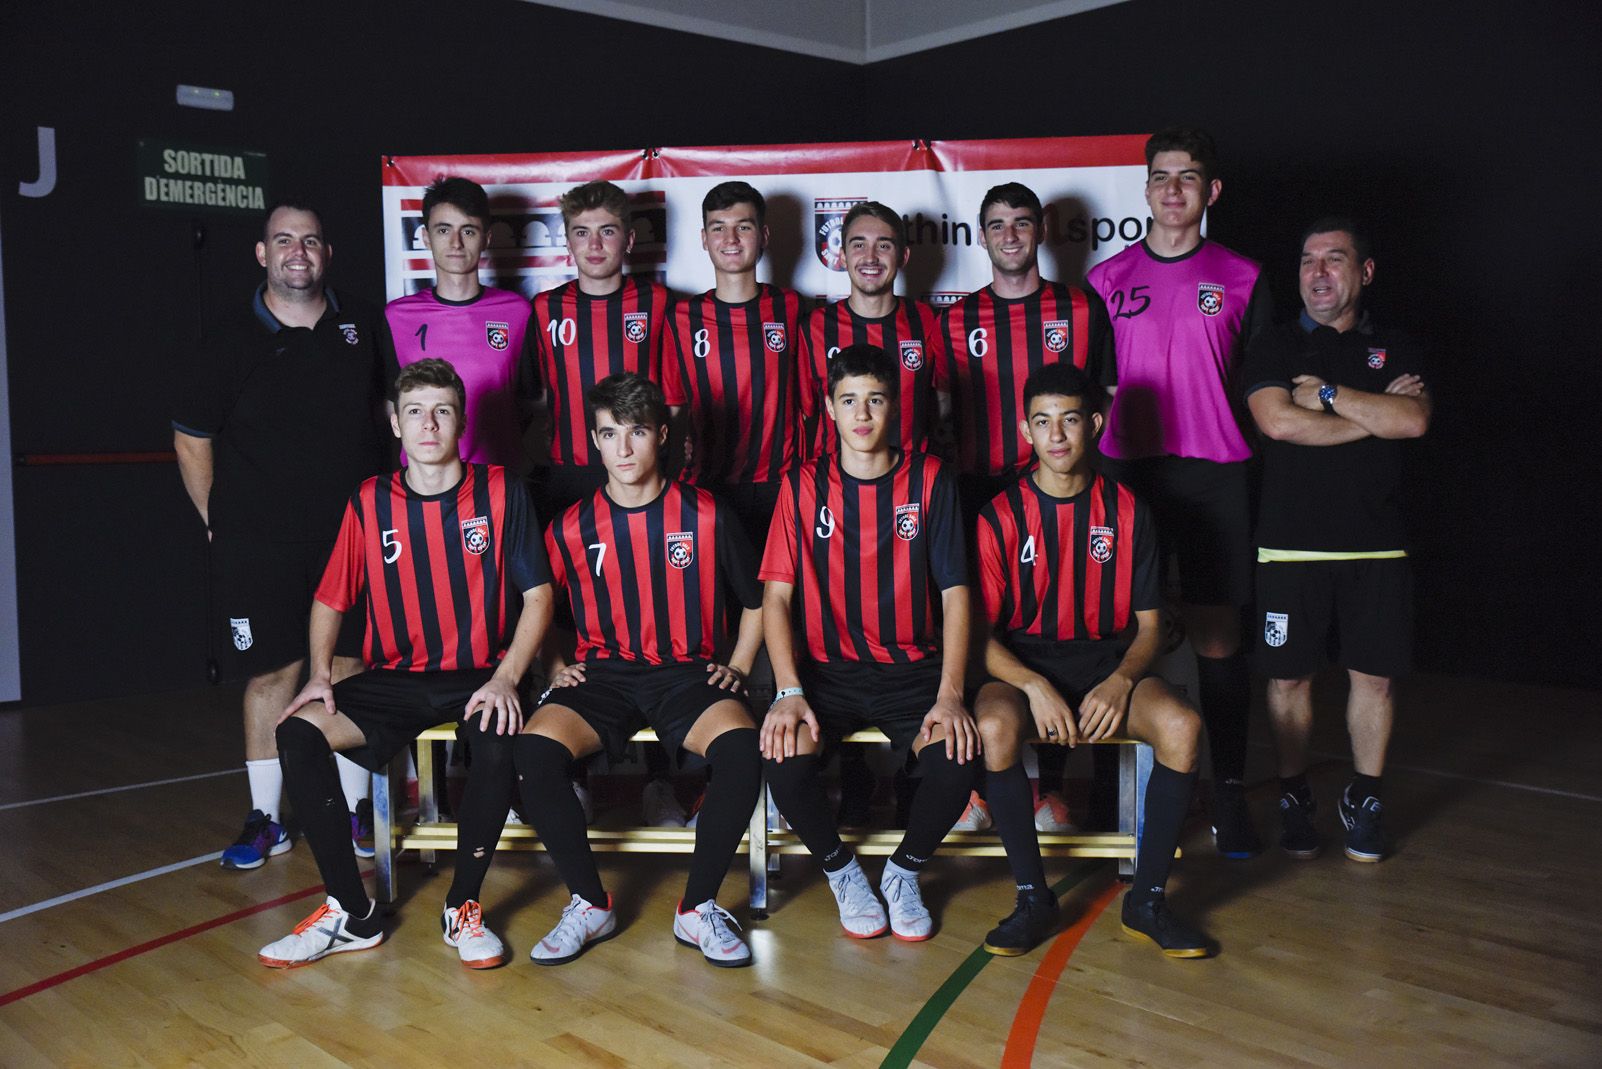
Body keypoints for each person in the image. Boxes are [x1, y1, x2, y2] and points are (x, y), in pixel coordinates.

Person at [256, 358, 555, 969]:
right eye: (415, 411)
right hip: (395, 680)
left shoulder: (500, 490)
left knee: (498, 740)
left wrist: (507, 676)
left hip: (479, 674)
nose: (428, 423)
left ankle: (463, 905)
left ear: (461, 422)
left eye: (442, 410)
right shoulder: (370, 501)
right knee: (297, 734)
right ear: (395, 424)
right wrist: (319, 671)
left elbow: (539, 595)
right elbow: (330, 596)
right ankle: (351, 911)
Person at [514, 373, 765, 967]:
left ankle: (697, 907)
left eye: (636, 432)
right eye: (608, 434)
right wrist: (555, 664)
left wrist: (738, 664)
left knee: (741, 752)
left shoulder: (707, 515)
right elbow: (538, 603)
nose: (622, 449)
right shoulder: (570, 525)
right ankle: (588, 901)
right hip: (604, 674)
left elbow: (758, 600)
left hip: (687, 673)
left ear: (662, 436)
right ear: (594, 442)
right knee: (533, 754)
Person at [172, 201, 387, 870]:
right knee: (273, 672)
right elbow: (191, 438)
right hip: (259, 544)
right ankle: (266, 816)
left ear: (328, 254)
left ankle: (358, 811)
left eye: (312, 241)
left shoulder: (360, 325)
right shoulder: (228, 337)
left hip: (351, 540)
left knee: (350, 667)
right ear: (263, 254)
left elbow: (389, 414)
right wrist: (218, 519)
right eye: (284, 240)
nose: (299, 251)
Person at [972, 362, 1211, 957]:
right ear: (1025, 432)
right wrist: (1032, 685)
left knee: (1183, 726)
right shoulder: (1000, 516)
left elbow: (1153, 627)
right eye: (1043, 422)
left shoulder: (1130, 510)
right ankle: (1033, 897)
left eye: (1070, 420)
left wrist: (1123, 679)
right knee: (996, 726)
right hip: (1025, 665)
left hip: (1109, 662)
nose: (1057, 435)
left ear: (1096, 425)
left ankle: (1147, 900)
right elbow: (977, 637)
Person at [1085, 127, 1273, 857]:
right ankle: (1105, 786)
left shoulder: (1245, 276)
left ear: (1210, 191)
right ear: (1145, 188)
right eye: (1160, 177)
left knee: (1219, 637)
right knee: (1110, 630)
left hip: (1214, 471)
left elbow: (1261, 391)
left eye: (1187, 177)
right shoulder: (1108, 278)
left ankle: (1226, 794)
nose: (1172, 190)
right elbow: (1099, 386)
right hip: (1128, 472)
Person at [759, 344, 978, 942]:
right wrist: (787, 690)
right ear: (829, 408)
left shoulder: (930, 478)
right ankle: (842, 872)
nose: (862, 414)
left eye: (875, 400)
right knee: (783, 754)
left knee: (957, 761)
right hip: (826, 673)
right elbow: (775, 598)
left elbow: (958, 593)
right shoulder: (802, 485)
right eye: (849, 400)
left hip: (913, 670)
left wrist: (951, 694)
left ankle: (903, 872)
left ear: (895, 407)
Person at [1240, 219, 1430, 863]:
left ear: (1364, 272)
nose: (1318, 272)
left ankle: (1366, 797)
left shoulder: (1395, 345)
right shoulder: (1272, 343)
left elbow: (1414, 418)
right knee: (1289, 680)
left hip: (1377, 545)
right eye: (1307, 261)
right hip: (1290, 545)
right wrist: (1372, 416)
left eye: (1334, 259)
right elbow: (1278, 424)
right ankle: (1294, 796)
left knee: (1373, 680)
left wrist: (1326, 396)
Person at [940, 182, 1115, 835]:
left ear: (1040, 231)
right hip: (981, 494)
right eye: (997, 225)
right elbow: (936, 410)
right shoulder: (954, 319)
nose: (1010, 234)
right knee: (983, 636)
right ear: (980, 236)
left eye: (1021, 222)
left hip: (1062, 492)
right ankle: (981, 787)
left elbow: (1105, 399)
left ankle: (1054, 790)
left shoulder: (1078, 306)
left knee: (1060, 632)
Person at [663, 180, 806, 547]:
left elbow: (813, 403)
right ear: (704, 238)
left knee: (781, 601)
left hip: (781, 487)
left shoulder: (793, 308)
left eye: (743, 226)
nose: (731, 238)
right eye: (718, 228)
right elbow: (674, 412)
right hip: (707, 488)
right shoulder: (681, 317)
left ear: (763, 235)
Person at [528, 180, 668, 521]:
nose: (593, 244)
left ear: (629, 240)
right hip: (568, 472)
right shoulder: (546, 308)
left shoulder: (658, 303)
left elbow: (675, 398)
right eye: (581, 232)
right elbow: (533, 399)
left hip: (640, 471)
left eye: (607, 231)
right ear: (567, 241)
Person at [382, 176, 535, 470]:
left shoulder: (518, 313)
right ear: (426, 237)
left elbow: (530, 403)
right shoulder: (397, 317)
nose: (456, 243)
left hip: (496, 484)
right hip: (424, 485)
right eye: (443, 230)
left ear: (486, 238)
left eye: (468, 230)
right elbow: (392, 406)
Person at [799, 200, 948, 460]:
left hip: (911, 483)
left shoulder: (927, 321)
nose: (870, 257)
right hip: (837, 489)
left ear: (903, 256)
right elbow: (803, 416)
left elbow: (946, 408)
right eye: (858, 245)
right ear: (843, 256)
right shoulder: (814, 328)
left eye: (883, 245)